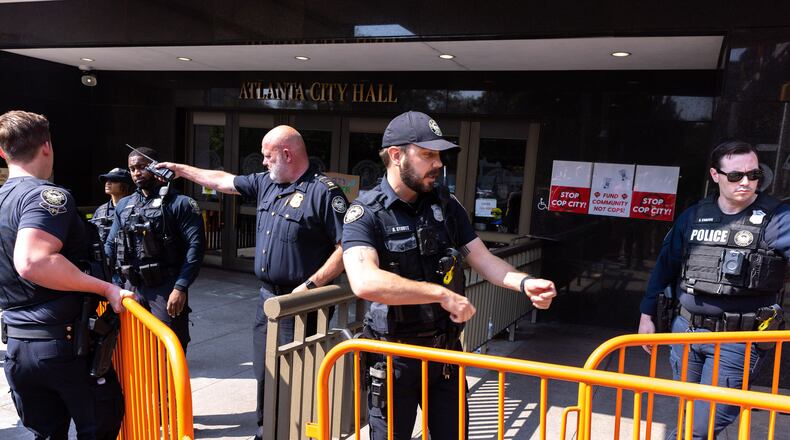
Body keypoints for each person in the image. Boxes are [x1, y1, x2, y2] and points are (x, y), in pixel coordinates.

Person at [341, 111, 557, 440]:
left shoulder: (446, 205)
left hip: (444, 355)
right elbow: (364, 281)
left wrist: (524, 283)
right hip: (394, 358)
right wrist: (441, 294)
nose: (438, 163)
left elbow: (483, 259)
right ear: (397, 155)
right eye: (427, 154)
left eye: (439, 155)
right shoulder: (365, 213)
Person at [156, 125, 348, 440]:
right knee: (265, 371)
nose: (262, 163)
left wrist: (310, 287)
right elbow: (221, 180)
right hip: (266, 300)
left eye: (267, 156)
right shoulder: (267, 184)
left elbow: (346, 248)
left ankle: (301, 432)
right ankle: (267, 429)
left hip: (301, 303)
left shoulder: (323, 192)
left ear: (287, 154)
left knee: (299, 377)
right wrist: (180, 170)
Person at [638, 140, 790, 439]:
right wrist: (647, 313)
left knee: (699, 427)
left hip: (735, 340)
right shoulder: (693, 216)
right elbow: (665, 266)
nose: (747, 182)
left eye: (754, 174)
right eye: (736, 176)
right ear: (715, 175)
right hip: (685, 332)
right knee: (691, 413)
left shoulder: (778, 219)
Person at [0, 110, 135, 439]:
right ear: (47, 146)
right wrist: (106, 288)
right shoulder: (47, 196)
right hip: (62, 345)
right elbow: (32, 261)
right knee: (101, 421)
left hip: (19, 346)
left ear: (3, 152)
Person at [104, 147, 205, 352]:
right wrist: (112, 282)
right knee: (135, 348)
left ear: (156, 166)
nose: (136, 173)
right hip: (131, 286)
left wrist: (181, 287)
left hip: (165, 287)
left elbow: (195, 247)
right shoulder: (124, 205)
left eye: (141, 167)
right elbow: (110, 245)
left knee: (168, 346)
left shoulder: (180, 203)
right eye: (132, 169)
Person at [91, 167, 133, 244]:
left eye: (113, 180)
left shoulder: (134, 208)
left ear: (125, 185)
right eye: (107, 180)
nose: (108, 183)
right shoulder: (101, 211)